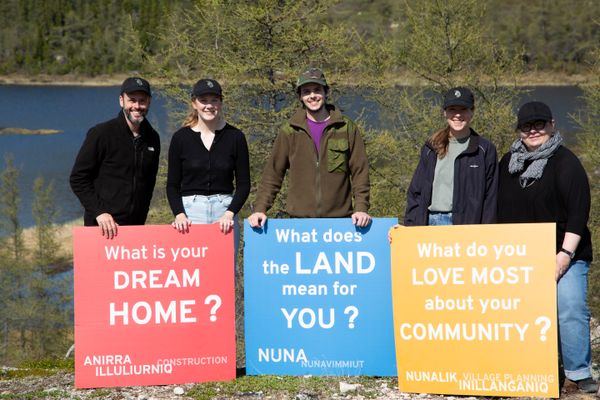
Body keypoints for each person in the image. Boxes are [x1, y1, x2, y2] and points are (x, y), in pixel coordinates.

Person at [497, 101, 597, 393]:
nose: (533, 131)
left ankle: (578, 376)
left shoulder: (566, 163)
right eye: (527, 126)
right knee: (516, 312)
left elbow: (579, 213)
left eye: (539, 124)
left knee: (569, 308)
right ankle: (527, 369)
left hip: (565, 252)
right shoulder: (508, 163)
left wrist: (564, 256)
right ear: (519, 130)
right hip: (520, 256)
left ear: (552, 125)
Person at [248, 67, 370, 228]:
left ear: (326, 92)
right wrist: (260, 209)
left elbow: (360, 172)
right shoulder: (290, 131)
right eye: (306, 91)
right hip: (299, 224)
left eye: (317, 90)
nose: (312, 96)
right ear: (300, 96)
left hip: (340, 224)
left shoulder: (346, 128)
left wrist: (361, 208)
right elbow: (273, 173)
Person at [166, 79, 250, 256]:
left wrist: (230, 213)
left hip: (224, 212)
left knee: (225, 273)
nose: (209, 106)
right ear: (194, 103)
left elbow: (244, 184)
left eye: (214, 100)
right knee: (192, 274)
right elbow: (172, 185)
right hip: (190, 213)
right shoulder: (181, 138)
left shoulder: (235, 137)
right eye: (203, 100)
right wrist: (179, 214)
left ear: (221, 102)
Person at [70, 77, 161, 239]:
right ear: (121, 101)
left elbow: (149, 183)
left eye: (142, 101)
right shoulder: (101, 133)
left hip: (134, 229)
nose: (137, 106)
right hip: (101, 228)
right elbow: (78, 178)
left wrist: (142, 218)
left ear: (149, 102)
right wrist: (100, 212)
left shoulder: (153, 138)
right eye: (131, 100)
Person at [403, 87, 498, 227]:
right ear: (445, 113)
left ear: (472, 112)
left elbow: (491, 197)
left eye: (463, 109)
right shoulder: (431, 147)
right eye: (452, 109)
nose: (457, 115)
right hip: (431, 224)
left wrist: (486, 232)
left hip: (467, 227)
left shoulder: (484, 150)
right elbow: (416, 192)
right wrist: (410, 227)